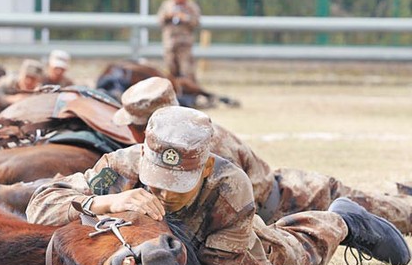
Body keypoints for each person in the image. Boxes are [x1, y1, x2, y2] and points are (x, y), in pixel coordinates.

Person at [27, 106, 410, 265]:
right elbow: (40, 209)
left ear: (205, 169)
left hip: (237, 245)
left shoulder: (230, 186)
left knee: (297, 250)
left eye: (176, 185)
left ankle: (343, 219)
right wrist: (106, 203)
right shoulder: (120, 167)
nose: (161, 192)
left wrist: (152, 234)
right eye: (155, 180)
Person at [109, 77, 412, 234]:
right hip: (283, 192)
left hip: (291, 200)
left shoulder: (198, 149)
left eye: (136, 126)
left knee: (391, 213)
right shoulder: (190, 132)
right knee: (380, 205)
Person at [157, 0, 201, 81]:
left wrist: (185, 18)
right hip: (170, 43)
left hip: (184, 44)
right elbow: (160, 21)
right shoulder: (167, 5)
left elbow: (196, 22)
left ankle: (188, 91)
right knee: (170, 69)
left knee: (186, 70)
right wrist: (168, 16)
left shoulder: (191, 6)